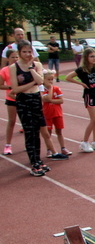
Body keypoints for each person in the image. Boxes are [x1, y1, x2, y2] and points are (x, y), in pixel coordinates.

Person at [9, 40, 49, 176]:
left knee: (37, 130)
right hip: (23, 100)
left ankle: (38, 159)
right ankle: (33, 163)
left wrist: (31, 68)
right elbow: (15, 89)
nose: (27, 54)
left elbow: (41, 81)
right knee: (29, 131)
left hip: (36, 99)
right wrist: (32, 83)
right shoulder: (14, 68)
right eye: (24, 52)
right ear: (19, 53)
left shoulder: (36, 65)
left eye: (29, 51)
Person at [65, 48, 95, 153]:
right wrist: (81, 84)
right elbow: (68, 77)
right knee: (94, 120)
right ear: (86, 58)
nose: (94, 58)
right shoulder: (82, 69)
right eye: (91, 56)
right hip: (90, 95)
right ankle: (84, 142)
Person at [40, 69, 70, 160]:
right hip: (47, 114)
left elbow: (61, 100)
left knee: (59, 131)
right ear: (43, 80)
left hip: (57, 113)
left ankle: (63, 148)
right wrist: (50, 89)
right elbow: (46, 99)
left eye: (51, 79)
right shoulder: (41, 89)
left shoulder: (57, 88)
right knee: (48, 133)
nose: (50, 81)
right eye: (48, 80)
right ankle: (49, 149)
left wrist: (51, 100)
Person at [1, 50, 20, 155]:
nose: (15, 59)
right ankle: (8, 145)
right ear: (8, 59)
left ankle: (29, 144)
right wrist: (11, 87)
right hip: (11, 98)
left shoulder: (22, 68)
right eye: (13, 57)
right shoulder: (4, 70)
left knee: (26, 123)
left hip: (23, 98)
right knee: (11, 121)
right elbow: (0, 85)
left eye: (17, 57)